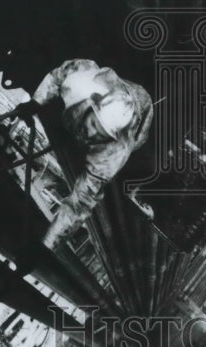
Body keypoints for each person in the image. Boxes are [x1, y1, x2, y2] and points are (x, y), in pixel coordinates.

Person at [19, 59, 153, 247]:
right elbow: (59, 75)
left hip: (141, 113)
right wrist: (35, 102)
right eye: (92, 125)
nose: (90, 133)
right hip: (115, 93)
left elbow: (80, 202)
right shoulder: (81, 78)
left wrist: (47, 244)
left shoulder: (113, 153)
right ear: (92, 105)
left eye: (99, 134)